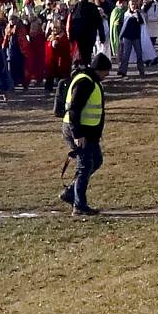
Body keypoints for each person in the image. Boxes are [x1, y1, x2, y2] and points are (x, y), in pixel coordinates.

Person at [59, 51, 109, 216]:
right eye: (106, 71)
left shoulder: (91, 81)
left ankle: (70, 193)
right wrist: (77, 134)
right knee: (85, 165)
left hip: (88, 131)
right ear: (98, 69)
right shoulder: (85, 83)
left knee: (96, 161)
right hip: (79, 131)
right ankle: (79, 206)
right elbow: (74, 109)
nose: (107, 75)